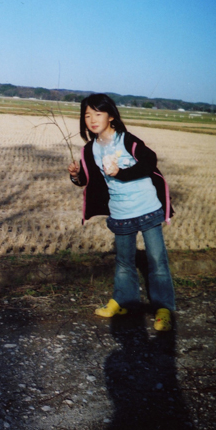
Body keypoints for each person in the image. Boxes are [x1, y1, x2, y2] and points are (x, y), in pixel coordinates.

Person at [68, 93, 175, 331]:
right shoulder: (89, 149)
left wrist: (122, 174)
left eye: (98, 113)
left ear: (111, 116)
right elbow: (89, 180)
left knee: (156, 260)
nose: (92, 119)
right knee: (124, 261)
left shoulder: (126, 140)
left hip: (147, 208)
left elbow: (150, 161)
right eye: (87, 115)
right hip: (120, 212)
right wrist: (76, 175)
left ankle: (163, 308)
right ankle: (123, 301)